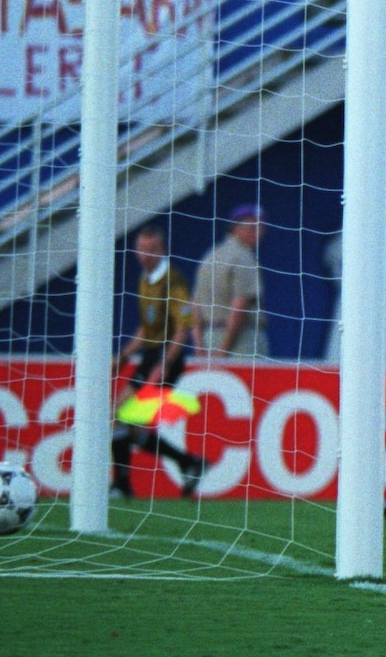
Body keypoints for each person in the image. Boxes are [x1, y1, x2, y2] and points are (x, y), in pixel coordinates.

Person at [112, 223, 208, 499]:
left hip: (167, 357)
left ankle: (122, 485)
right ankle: (188, 463)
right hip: (151, 356)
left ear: (162, 250)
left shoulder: (173, 280)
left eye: (152, 250)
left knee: (119, 416)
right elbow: (146, 328)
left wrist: (164, 364)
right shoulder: (145, 279)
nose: (146, 255)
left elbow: (182, 328)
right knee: (128, 425)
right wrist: (125, 355)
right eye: (142, 250)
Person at [192, 203, 269, 359]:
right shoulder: (243, 257)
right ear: (237, 227)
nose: (260, 233)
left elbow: (194, 304)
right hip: (241, 342)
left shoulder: (210, 256)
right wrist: (223, 349)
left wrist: (198, 344)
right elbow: (240, 305)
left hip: (209, 337)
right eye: (254, 227)